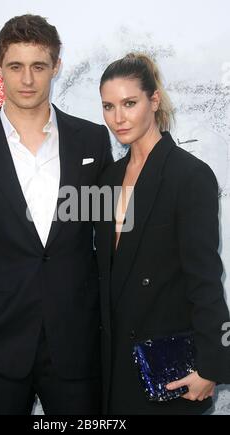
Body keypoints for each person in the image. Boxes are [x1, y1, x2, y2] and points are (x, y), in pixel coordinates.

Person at [0, 14, 112, 415]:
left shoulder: (91, 140)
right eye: (16, 66)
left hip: (77, 347)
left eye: (38, 66)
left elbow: (105, 236)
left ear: (56, 66)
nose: (27, 79)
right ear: (0, 68)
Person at [95, 52, 230, 415]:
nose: (118, 118)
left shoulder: (190, 176)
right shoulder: (107, 179)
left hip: (167, 371)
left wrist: (211, 366)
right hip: (111, 370)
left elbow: (204, 277)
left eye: (129, 103)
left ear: (154, 101)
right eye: (108, 106)